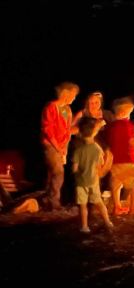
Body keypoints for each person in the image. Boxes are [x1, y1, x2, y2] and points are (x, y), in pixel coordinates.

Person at [40, 81, 80, 210]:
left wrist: (65, 148)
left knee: (52, 174)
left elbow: (67, 130)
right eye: (73, 95)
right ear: (65, 93)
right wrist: (58, 147)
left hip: (61, 146)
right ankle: (53, 202)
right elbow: (48, 130)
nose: (74, 98)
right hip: (51, 145)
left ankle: (47, 201)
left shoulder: (67, 110)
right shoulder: (51, 107)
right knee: (58, 173)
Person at [102, 98, 134, 215]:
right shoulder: (127, 125)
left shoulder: (110, 126)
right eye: (129, 113)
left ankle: (117, 207)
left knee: (116, 184)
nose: (129, 115)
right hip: (129, 160)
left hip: (115, 161)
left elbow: (109, 141)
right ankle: (133, 208)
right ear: (122, 113)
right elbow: (130, 141)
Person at [71, 118, 113, 234]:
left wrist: (78, 171)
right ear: (94, 132)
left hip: (80, 182)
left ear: (80, 133)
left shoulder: (78, 151)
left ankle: (84, 227)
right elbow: (101, 164)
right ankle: (107, 222)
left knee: (83, 205)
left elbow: (74, 169)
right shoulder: (97, 149)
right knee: (99, 203)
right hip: (93, 181)